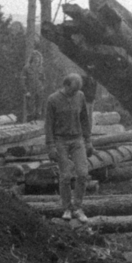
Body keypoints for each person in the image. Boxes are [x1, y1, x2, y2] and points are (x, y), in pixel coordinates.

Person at [44, 73, 94, 221]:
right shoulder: (53, 100)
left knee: (83, 173)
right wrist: (50, 146)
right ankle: (66, 207)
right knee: (65, 176)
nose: (74, 93)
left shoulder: (80, 96)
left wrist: (88, 140)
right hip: (61, 141)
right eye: (72, 90)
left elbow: (85, 119)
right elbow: (48, 125)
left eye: (77, 90)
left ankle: (77, 207)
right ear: (65, 85)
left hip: (77, 139)